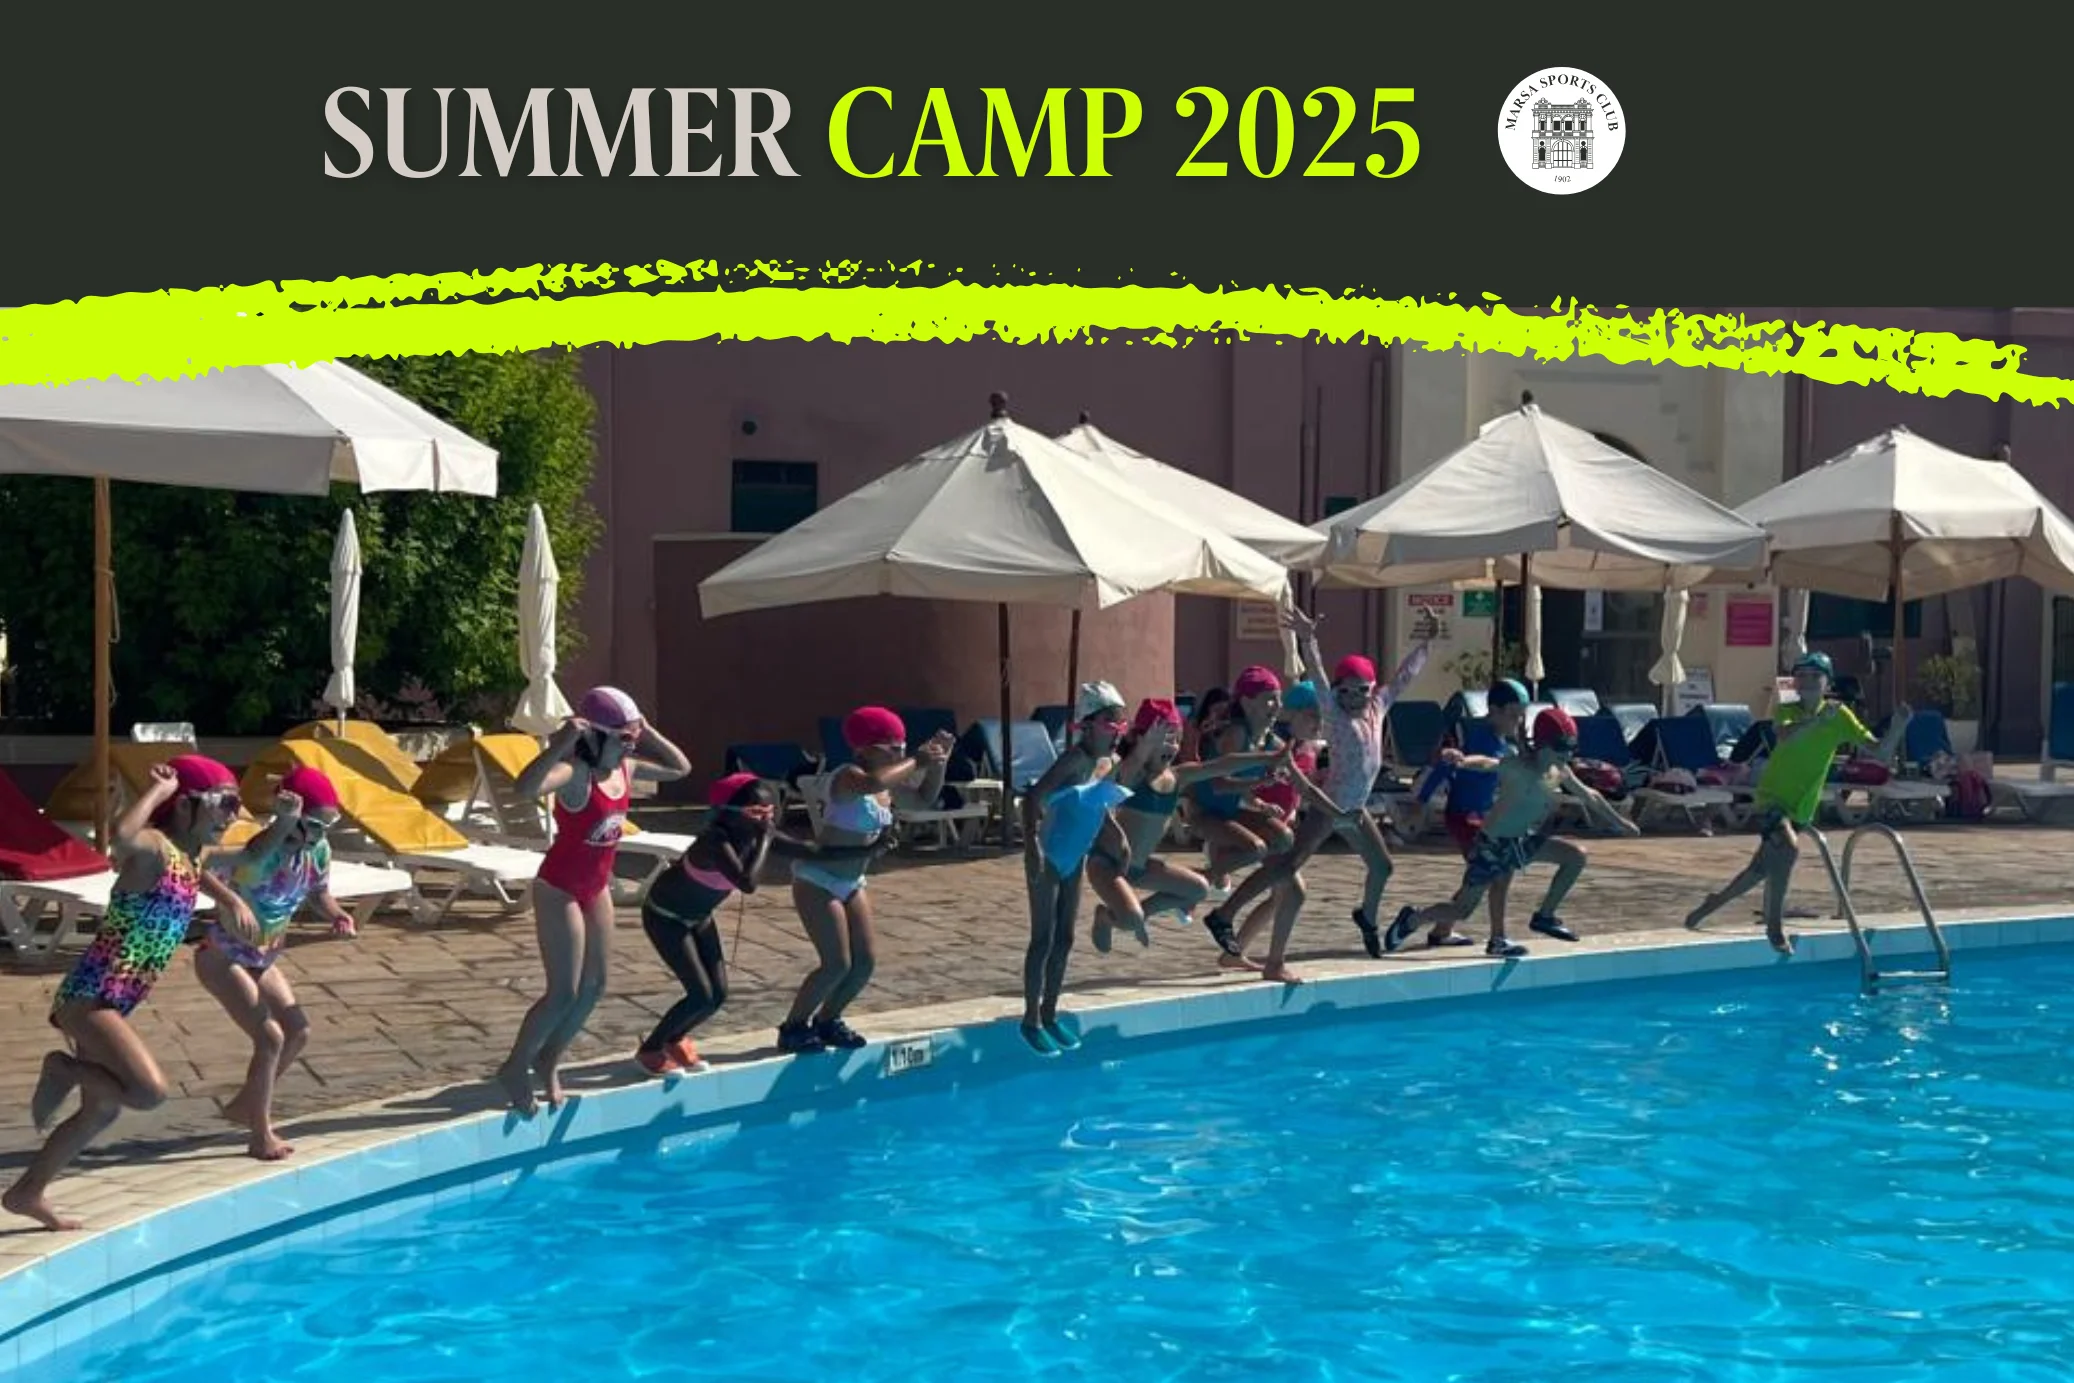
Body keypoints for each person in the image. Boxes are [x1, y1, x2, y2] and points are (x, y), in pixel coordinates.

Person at [6, 757, 250, 1231]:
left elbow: (201, 874)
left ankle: (26, 1192)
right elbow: (120, 837)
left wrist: (233, 900)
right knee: (148, 1092)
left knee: (100, 1111)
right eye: (225, 804)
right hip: (92, 996)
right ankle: (64, 1067)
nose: (231, 816)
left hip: (115, 1000)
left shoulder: (190, 854)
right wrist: (156, 793)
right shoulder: (154, 849)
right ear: (186, 806)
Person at [497, 687, 691, 1116]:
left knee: (595, 986)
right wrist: (562, 744)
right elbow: (524, 787)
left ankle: (549, 1059)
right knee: (563, 992)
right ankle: (514, 1067)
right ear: (595, 736)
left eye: (632, 737)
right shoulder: (573, 774)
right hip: (559, 888)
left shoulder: (628, 765)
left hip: (596, 887)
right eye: (622, 737)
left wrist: (646, 731)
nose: (631, 743)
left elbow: (681, 768)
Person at [1199, 610, 1425, 960]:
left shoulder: (1378, 707)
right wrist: (1309, 640)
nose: (1353, 697)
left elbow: (1403, 677)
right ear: (1336, 693)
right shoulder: (1333, 714)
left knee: (1383, 867)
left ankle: (1367, 916)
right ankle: (1223, 914)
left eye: (1360, 691)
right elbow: (1318, 676)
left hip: (1355, 810)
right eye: (1345, 691)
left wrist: (1425, 642)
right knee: (1287, 866)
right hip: (1327, 807)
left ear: (1371, 689)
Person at [635, 772, 886, 1075]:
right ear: (727, 813)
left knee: (717, 995)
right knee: (700, 993)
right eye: (756, 813)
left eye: (770, 812)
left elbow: (813, 851)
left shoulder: (755, 834)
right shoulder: (715, 840)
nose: (765, 820)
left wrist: (867, 850)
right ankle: (651, 1049)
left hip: (699, 917)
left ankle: (674, 1039)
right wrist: (766, 838)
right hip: (666, 917)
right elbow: (747, 882)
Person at [1684, 652, 1910, 954]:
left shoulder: (1840, 716)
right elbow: (1784, 737)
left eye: (1814, 676)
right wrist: (1817, 720)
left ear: (1826, 682)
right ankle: (1774, 928)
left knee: (1761, 870)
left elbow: (1879, 754)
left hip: (1802, 805)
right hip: (1771, 798)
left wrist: (1897, 727)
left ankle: (1709, 907)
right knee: (1788, 849)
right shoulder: (1786, 710)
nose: (1806, 681)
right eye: (1801, 676)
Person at [1386, 708, 1640, 958]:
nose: (1568, 754)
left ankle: (1544, 916)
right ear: (1542, 745)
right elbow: (1487, 763)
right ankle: (1413, 919)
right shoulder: (1519, 766)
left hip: (1520, 841)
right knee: (1462, 909)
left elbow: (1591, 796)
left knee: (1576, 856)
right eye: (1562, 747)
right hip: (1492, 846)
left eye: (1572, 747)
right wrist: (1461, 759)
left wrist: (1619, 822)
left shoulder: (1560, 770)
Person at [197, 765, 352, 1162]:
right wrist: (232, 900)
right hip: (223, 956)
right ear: (293, 818)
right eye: (315, 824)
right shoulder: (262, 849)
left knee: (298, 1031)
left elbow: (320, 893)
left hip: (263, 957)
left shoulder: (318, 850)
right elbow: (208, 869)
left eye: (328, 825)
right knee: (270, 1038)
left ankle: (242, 1106)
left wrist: (336, 913)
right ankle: (259, 1133)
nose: (321, 834)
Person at [780, 706, 953, 1055]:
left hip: (852, 881)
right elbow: (873, 783)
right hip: (818, 880)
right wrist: (918, 761)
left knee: (864, 963)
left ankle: (829, 1020)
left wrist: (939, 762)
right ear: (863, 749)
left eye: (902, 745)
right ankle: (793, 1027)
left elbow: (924, 799)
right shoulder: (848, 777)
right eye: (891, 747)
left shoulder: (888, 786)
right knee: (836, 964)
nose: (900, 752)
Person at [1086, 699, 1291, 953]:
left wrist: (1270, 756)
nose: (1171, 746)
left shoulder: (1179, 776)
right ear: (1142, 738)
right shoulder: (1133, 775)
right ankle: (1108, 917)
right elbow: (1128, 769)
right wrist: (1145, 746)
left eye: (1175, 739)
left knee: (1198, 889)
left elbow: (1222, 764)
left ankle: (1135, 916)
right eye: (1164, 738)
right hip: (1107, 864)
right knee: (1130, 919)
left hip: (1138, 867)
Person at [1020, 682, 1132, 1055]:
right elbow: (1032, 799)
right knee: (1043, 939)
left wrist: (1118, 837)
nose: (1117, 735)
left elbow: (1098, 805)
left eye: (1121, 727)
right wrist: (1032, 844)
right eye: (1111, 726)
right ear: (1089, 725)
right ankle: (1031, 1019)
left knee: (1065, 938)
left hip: (1075, 856)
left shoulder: (1103, 764)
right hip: (1048, 857)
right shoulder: (1072, 759)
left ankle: (1050, 1014)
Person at [1221, 679, 1336, 984]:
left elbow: (1300, 788)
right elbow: (1244, 784)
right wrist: (1260, 807)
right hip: (1258, 826)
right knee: (1295, 893)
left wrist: (1296, 810)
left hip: (1280, 827)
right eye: (1314, 716)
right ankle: (1275, 963)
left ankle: (1233, 952)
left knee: (1279, 898)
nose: (1320, 724)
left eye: (1323, 717)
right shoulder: (1275, 744)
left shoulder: (1306, 747)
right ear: (1293, 714)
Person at [1406, 678, 1533, 948]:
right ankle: (1496, 937)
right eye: (1513, 715)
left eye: (1521, 716)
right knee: (1495, 872)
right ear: (1494, 711)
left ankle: (1440, 929)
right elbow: (1445, 767)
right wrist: (1422, 803)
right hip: (1465, 817)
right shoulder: (1477, 738)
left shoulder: (1503, 742)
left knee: (1480, 876)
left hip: (1480, 817)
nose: (1518, 722)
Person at [1188, 666, 1292, 907]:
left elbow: (1241, 786)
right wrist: (1260, 782)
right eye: (1270, 700)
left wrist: (1259, 803)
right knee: (1255, 849)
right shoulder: (1236, 734)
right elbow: (1219, 785)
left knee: (1284, 838)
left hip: (1230, 812)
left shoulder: (1269, 741)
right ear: (1247, 702)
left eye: (1279, 699)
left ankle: (1214, 865)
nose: (1277, 706)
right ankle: (1195, 882)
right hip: (1203, 813)